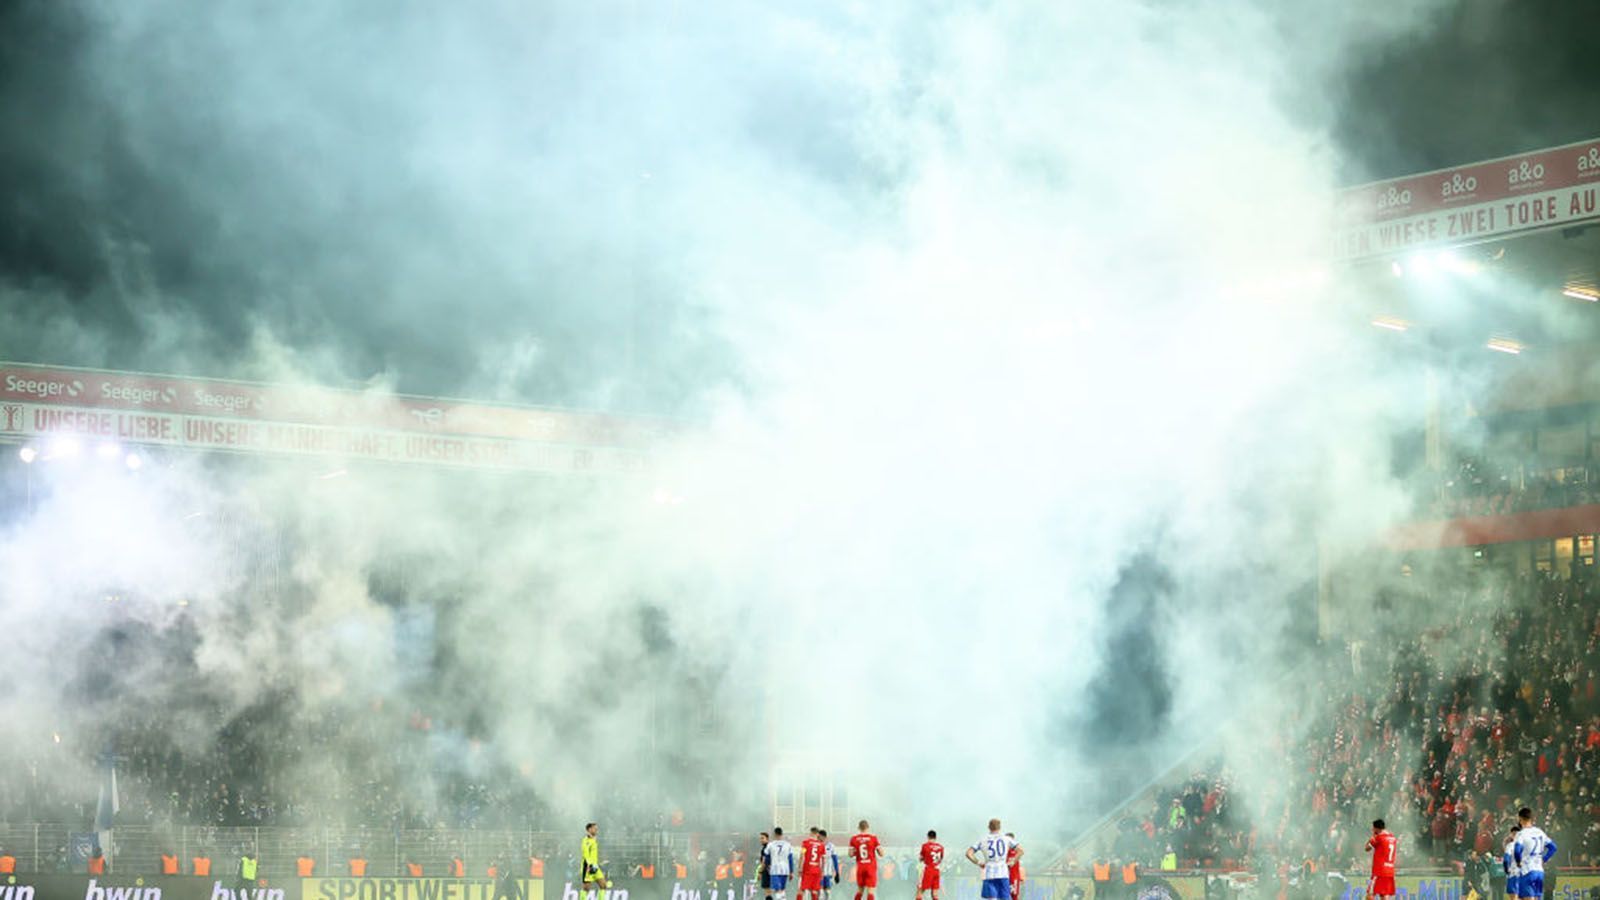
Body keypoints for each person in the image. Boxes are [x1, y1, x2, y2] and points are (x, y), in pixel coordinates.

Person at [966, 819, 1018, 900]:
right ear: (1000, 827)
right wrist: (1013, 861)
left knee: (992, 898)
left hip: (990, 873)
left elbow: (968, 853)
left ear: (989, 827)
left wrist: (979, 862)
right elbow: (1021, 850)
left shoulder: (983, 839)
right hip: (1003, 872)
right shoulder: (1006, 838)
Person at [1512, 808, 1557, 900]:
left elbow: (1517, 851)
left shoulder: (1520, 834)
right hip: (1539, 872)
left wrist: (1518, 862)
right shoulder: (1539, 832)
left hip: (1527, 871)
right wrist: (1544, 860)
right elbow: (1553, 847)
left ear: (1520, 819)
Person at [848, 821, 884, 900]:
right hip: (870, 866)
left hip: (860, 866)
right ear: (868, 827)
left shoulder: (854, 839)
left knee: (860, 890)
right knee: (870, 890)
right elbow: (881, 854)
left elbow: (850, 854)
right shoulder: (873, 838)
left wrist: (857, 851)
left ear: (858, 828)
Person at [1365, 819, 1397, 900]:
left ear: (1377, 828)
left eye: (1373, 828)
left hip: (1379, 871)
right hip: (1390, 871)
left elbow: (1367, 848)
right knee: (1384, 895)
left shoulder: (1379, 837)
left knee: (1370, 895)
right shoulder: (1393, 837)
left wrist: (1373, 836)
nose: (1372, 830)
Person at [764, 828, 795, 900]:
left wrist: (767, 866)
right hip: (785, 869)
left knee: (777, 890)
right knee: (782, 889)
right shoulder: (788, 845)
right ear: (782, 834)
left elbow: (767, 857)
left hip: (775, 869)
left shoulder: (770, 845)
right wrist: (791, 871)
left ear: (774, 834)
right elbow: (790, 858)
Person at [581, 823, 609, 900]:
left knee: (603, 885)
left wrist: (599, 862)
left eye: (597, 828)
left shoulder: (593, 839)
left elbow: (593, 854)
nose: (596, 830)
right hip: (588, 867)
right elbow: (585, 854)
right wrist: (589, 865)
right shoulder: (586, 840)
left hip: (595, 866)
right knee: (586, 888)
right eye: (595, 828)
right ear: (589, 829)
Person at [916, 831, 944, 900]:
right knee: (935, 894)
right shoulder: (941, 847)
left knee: (920, 891)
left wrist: (923, 859)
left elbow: (921, 858)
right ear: (936, 837)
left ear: (928, 837)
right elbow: (941, 859)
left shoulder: (925, 846)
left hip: (928, 869)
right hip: (937, 870)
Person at [800, 829, 826, 900]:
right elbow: (823, 860)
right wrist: (822, 871)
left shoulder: (805, 843)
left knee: (802, 889)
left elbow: (802, 856)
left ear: (811, 833)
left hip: (807, 869)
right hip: (817, 870)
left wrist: (800, 868)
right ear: (817, 834)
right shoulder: (821, 845)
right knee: (814, 891)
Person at [820, 831, 841, 900]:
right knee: (820, 892)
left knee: (828, 892)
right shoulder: (817, 846)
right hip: (819, 873)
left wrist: (837, 872)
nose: (819, 839)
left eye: (821, 837)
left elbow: (835, 859)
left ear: (825, 837)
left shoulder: (831, 846)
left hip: (828, 873)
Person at [1504, 825, 1522, 900]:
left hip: (1513, 873)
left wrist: (1506, 869)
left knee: (1513, 897)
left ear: (1512, 835)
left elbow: (1506, 860)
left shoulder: (1510, 846)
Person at [1006, 834, 1024, 900]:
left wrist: (1021, 877)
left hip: (1014, 877)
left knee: (1014, 896)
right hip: (1004, 877)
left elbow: (1020, 866)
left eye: (1010, 840)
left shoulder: (1017, 851)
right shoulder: (1002, 852)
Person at [759, 833, 774, 900]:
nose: (761, 840)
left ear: (767, 839)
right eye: (760, 838)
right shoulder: (769, 847)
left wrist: (760, 872)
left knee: (767, 890)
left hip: (767, 870)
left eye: (763, 838)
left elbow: (764, 861)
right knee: (768, 891)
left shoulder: (766, 848)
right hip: (771, 870)